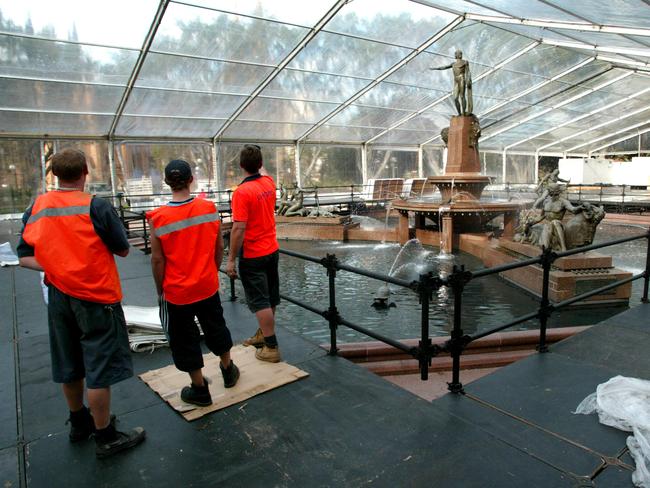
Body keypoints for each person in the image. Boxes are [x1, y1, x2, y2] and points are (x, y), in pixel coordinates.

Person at [17, 148, 145, 458]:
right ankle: (105, 436)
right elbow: (124, 249)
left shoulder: (38, 205)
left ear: (55, 176)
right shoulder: (96, 207)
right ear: (85, 172)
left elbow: (24, 257)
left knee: (69, 361)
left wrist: (55, 265)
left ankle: (79, 423)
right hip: (95, 297)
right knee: (99, 366)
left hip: (59, 296)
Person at [147, 160, 239, 407]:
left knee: (184, 338)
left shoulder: (158, 218)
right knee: (215, 325)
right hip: (206, 284)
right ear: (191, 180)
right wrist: (211, 270)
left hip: (177, 292)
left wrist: (160, 290)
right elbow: (219, 246)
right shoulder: (209, 209)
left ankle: (199, 389)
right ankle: (228, 369)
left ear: (167, 183)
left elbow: (157, 260)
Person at [226, 145, 281, 363]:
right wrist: (258, 160)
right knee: (270, 296)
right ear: (260, 164)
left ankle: (271, 347)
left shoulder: (242, 192)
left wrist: (231, 259)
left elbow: (238, 228)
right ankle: (263, 334)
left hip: (253, 254)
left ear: (241, 166)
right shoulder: (268, 183)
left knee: (260, 301)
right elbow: (264, 171)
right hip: (271, 250)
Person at [524, 183, 584, 251]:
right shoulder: (546, 202)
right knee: (544, 245)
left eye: (555, 193)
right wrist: (531, 223)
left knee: (554, 222)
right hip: (548, 226)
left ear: (558, 192)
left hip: (558, 225)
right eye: (551, 193)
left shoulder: (563, 202)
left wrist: (580, 207)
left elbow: (573, 210)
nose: (552, 195)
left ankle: (563, 248)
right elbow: (541, 217)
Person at [430, 49, 473, 116]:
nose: (456, 55)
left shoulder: (465, 62)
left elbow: (468, 72)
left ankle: (464, 113)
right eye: (455, 54)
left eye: (457, 54)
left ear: (460, 55)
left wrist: (469, 80)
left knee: (462, 96)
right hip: (456, 80)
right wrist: (435, 68)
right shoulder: (453, 64)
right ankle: (459, 113)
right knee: (455, 98)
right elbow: (444, 67)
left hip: (462, 78)